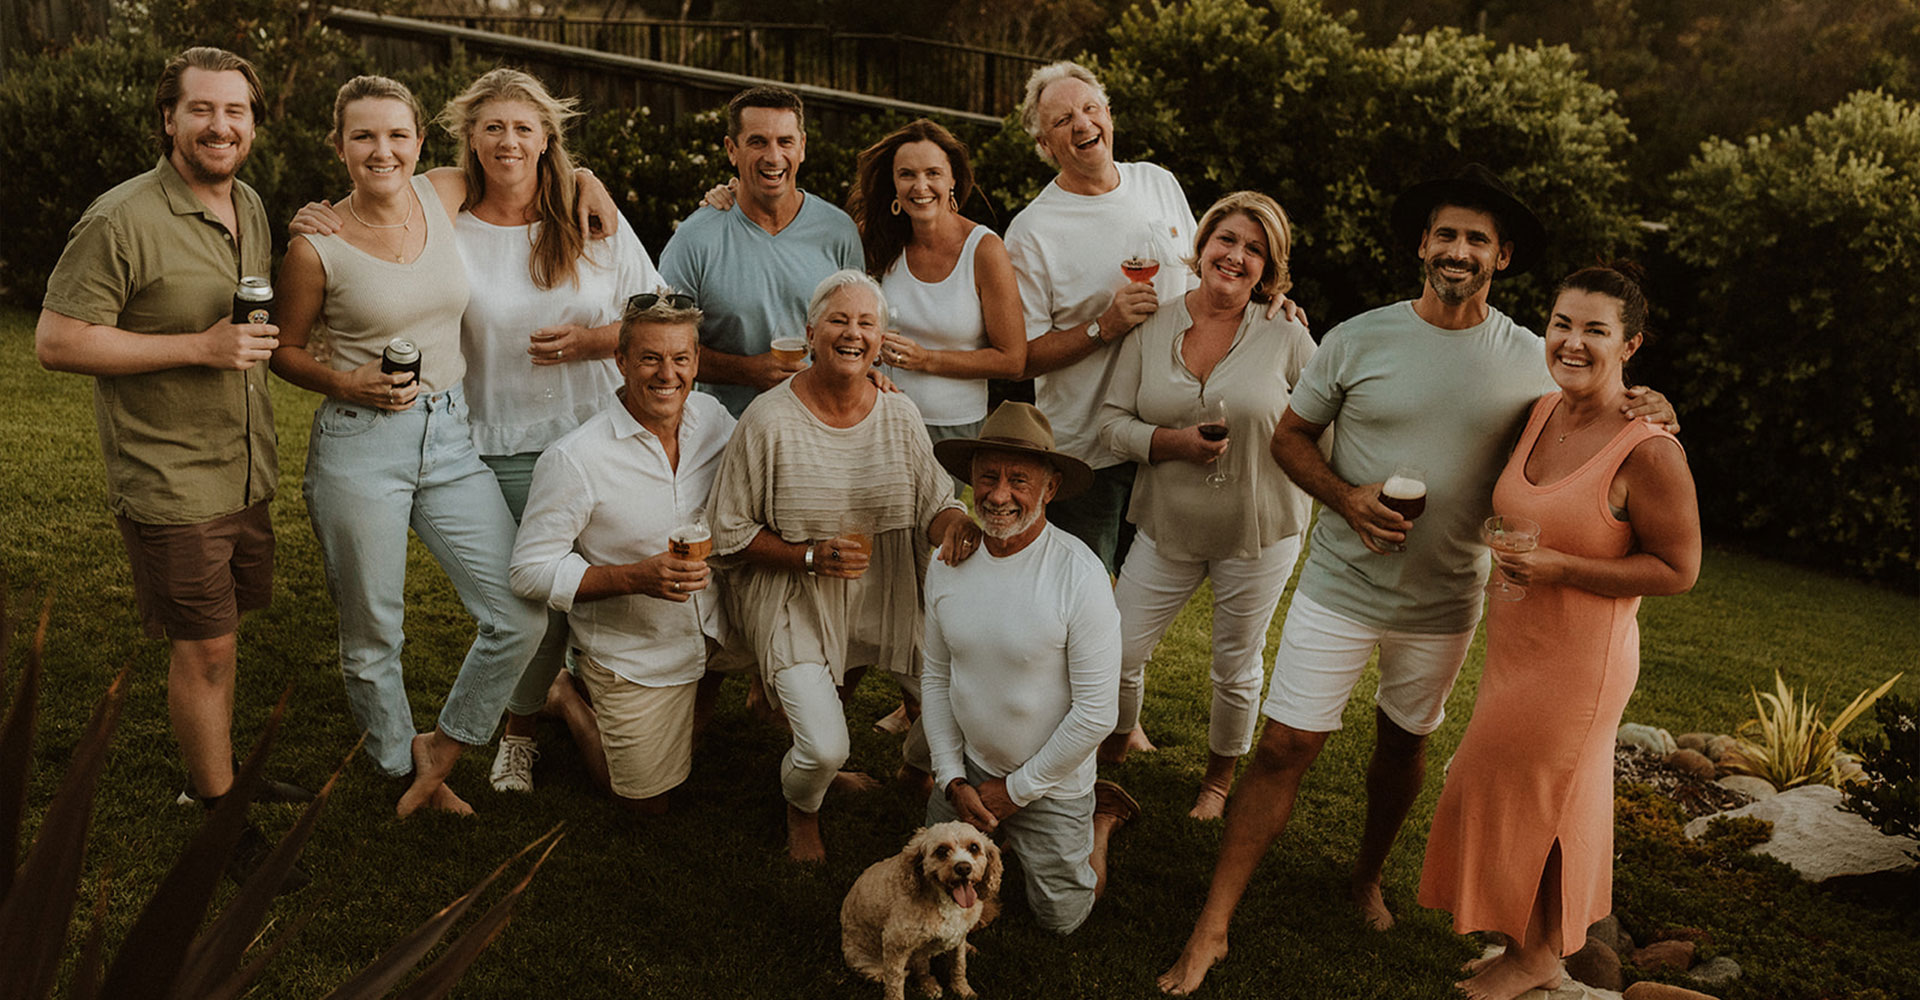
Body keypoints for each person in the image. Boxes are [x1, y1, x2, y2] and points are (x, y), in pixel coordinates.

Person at [1157, 165, 1677, 995]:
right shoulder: (1359, 337)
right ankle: (1211, 928)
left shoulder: (1531, 361)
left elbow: (1594, 405)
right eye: (1446, 234)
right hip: (1339, 583)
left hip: (1447, 599)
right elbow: (1292, 438)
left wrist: (1653, 405)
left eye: (1477, 239)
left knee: (1405, 742)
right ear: (1423, 244)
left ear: (1500, 256)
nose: (1458, 251)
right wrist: (1346, 497)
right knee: (1287, 744)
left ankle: (1365, 876)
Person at [34, 46, 312, 884]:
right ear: (169, 118)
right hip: (170, 476)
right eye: (202, 110)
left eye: (237, 112)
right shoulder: (120, 220)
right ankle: (220, 818)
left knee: (221, 639)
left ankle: (213, 778)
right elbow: (56, 341)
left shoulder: (251, 206)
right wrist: (199, 346)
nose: (220, 126)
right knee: (206, 650)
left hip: (243, 467)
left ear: (254, 123)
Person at [1418, 264, 1699, 1000]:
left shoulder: (1650, 449)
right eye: (1562, 324)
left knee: (1551, 796)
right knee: (1509, 786)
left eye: (1595, 330)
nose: (1572, 342)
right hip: (1519, 641)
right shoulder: (1541, 411)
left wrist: (1561, 568)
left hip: (1583, 657)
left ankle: (1540, 954)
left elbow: (1678, 570)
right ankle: (1522, 939)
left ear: (1631, 344)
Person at [270, 75, 547, 817]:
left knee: (519, 613)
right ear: (339, 146)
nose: (381, 150)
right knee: (374, 630)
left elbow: (527, 167)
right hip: (360, 447)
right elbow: (284, 352)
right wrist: (343, 381)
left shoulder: (445, 190)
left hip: (451, 438)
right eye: (363, 136)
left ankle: (448, 740)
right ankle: (400, 768)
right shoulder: (314, 248)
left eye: (397, 134)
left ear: (421, 142)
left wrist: (586, 183)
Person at [437, 68, 663, 797]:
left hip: (595, 434)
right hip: (496, 438)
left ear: (547, 139)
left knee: (588, 588)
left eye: (523, 127)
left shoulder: (588, 215)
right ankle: (521, 731)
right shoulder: (446, 225)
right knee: (530, 600)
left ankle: (563, 703)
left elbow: (656, 312)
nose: (508, 140)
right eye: (494, 126)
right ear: (471, 136)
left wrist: (595, 342)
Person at [706, 269, 976, 862]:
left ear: (880, 341)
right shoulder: (769, 419)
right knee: (825, 750)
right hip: (793, 595)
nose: (852, 333)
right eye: (838, 320)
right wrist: (807, 554)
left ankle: (914, 771)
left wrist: (957, 525)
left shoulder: (900, 414)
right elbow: (728, 533)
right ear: (809, 333)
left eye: (866, 323)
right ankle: (802, 809)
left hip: (887, 589)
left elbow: (935, 502)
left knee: (963, 703)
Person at [1096, 192, 1315, 818]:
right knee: (1116, 650)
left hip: (1260, 527)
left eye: (1254, 249)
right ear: (1203, 245)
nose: (1236, 256)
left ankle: (1218, 782)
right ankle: (1115, 742)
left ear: (1269, 269)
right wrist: (1169, 443)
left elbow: (1327, 417)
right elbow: (1112, 423)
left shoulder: (1287, 332)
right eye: (1227, 240)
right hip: (1168, 525)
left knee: (1235, 664)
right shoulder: (1151, 325)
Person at [508, 292, 737, 815]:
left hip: (716, 625)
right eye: (651, 358)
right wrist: (635, 577)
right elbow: (529, 570)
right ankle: (565, 694)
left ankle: (700, 703)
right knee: (640, 802)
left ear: (697, 362)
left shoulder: (713, 418)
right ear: (621, 361)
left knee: (694, 747)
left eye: (681, 358)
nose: (667, 374)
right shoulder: (577, 458)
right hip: (635, 651)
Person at [921, 401, 1140, 935]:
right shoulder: (947, 562)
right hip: (969, 773)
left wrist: (1013, 792)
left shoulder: (1080, 575)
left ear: (1050, 487)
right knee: (930, 898)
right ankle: (998, 832)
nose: (998, 495)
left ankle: (1101, 820)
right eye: (987, 477)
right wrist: (952, 779)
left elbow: (1095, 714)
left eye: (1019, 480)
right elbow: (936, 676)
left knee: (1061, 921)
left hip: (1051, 783)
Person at [658, 85, 864, 418]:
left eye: (785, 141)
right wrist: (745, 370)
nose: (773, 156)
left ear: (802, 148)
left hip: (822, 427)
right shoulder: (694, 239)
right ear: (731, 150)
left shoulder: (838, 231)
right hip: (725, 434)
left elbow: (859, 335)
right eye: (757, 142)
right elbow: (662, 344)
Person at [846, 118, 1025, 480]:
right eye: (907, 174)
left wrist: (926, 359)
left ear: (952, 179)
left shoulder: (984, 250)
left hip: (951, 430)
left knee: (938, 532)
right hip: (878, 415)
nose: (921, 186)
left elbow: (1013, 360)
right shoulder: (877, 238)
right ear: (893, 183)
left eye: (933, 173)